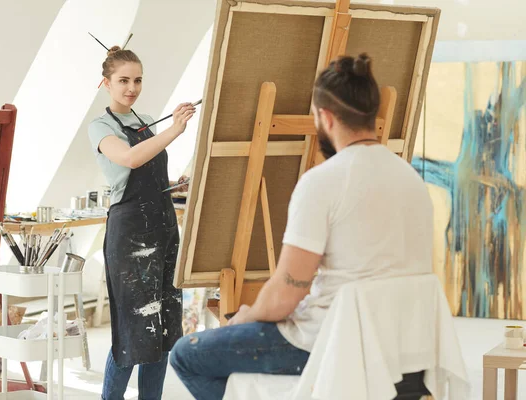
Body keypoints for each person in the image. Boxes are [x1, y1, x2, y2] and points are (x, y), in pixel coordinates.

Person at [169, 53, 433, 400]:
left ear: (324, 117)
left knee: (188, 354)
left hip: (333, 340)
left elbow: (285, 295)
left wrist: (246, 315)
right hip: (402, 344)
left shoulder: (323, 182)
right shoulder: (411, 179)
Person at [88, 45, 196, 400]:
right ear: (106, 83)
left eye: (137, 80)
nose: (131, 87)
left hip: (164, 230)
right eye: (123, 80)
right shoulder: (100, 127)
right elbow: (131, 158)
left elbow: (150, 168)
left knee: (164, 331)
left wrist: (175, 182)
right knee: (132, 333)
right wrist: (176, 130)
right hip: (130, 236)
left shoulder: (146, 120)